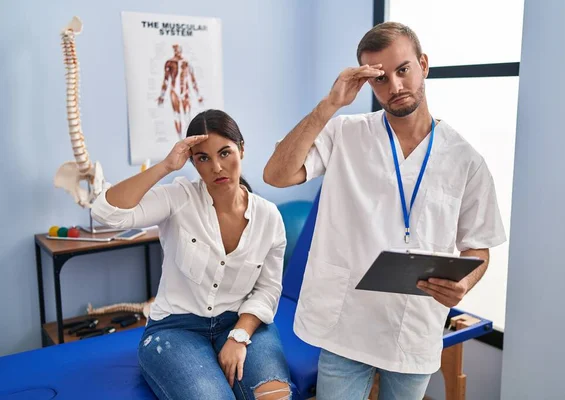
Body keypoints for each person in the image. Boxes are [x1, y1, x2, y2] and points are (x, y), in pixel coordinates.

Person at [263, 22, 506, 400]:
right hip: (345, 324)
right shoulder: (344, 133)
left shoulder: (466, 160)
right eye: (379, 79)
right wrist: (328, 106)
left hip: (413, 328)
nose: (394, 86)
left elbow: (479, 247)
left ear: (423, 64)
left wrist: (464, 283)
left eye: (403, 70)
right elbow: (276, 174)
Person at [91, 109, 292, 400]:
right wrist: (166, 166)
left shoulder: (269, 217)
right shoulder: (178, 197)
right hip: (175, 330)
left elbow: (268, 289)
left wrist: (239, 335)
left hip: (240, 322)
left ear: (242, 149)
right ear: (193, 162)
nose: (217, 167)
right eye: (203, 158)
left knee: (275, 397)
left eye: (225, 153)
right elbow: (106, 214)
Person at [157, 44, 204, 138]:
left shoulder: (186, 63)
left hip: (185, 91)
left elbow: (193, 80)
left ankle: (189, 139)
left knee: (187, 116)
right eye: (175, 50)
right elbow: (166, 80)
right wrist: (162, 96)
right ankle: (179, 139)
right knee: (177, 116)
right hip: (174, 92)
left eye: (178, 50)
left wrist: (198, 96)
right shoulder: (169, 63)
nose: (177, 52)